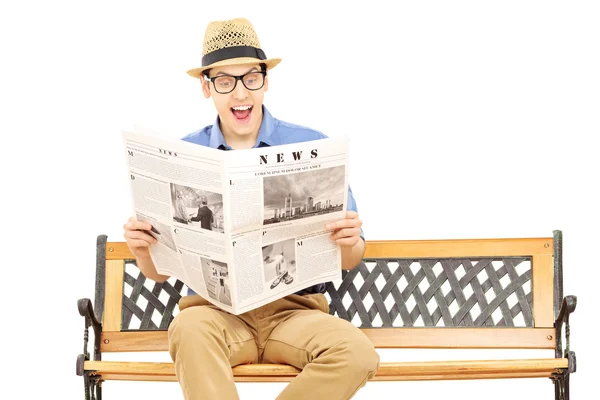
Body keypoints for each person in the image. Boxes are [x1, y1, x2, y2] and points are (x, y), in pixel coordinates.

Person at [122, 17, 379, 400]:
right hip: (214, 314)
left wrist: (349, 239)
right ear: (206, 86)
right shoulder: (183, 155)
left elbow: (350, 258)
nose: (240, 94)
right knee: (189, 330)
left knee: (357, 353)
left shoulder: (310, 144)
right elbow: (157, 274)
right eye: (225, 81)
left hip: (293, 313)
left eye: (250, 78)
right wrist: (142, 250)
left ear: (266, 80)